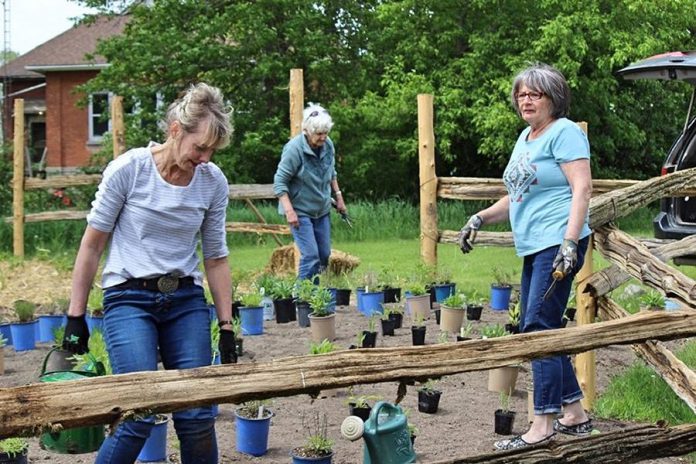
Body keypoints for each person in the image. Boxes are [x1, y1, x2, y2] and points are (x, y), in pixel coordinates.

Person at [62, 83, 237, 464]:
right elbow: (92, 246)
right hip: (129, 298)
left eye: (212, 151)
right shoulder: (129, 170)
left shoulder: (212, 182)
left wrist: (226, 326)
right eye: (199, 147)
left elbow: (216, 258)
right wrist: (75, 316)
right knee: (137, 413)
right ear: (176, 129)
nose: (205, 157)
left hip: (185, 301)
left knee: (196, 415)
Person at [457, 63, 593, 450]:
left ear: (554, 98)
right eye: (521, 94)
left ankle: (542, 424)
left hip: (558, 242)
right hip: (534, 246)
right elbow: (517, 197)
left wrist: (570, 243)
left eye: (535, 93)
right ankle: (576, 416)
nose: (525, 99)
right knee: (540, 326)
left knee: (536, 327)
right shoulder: (526, 137)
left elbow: (582, 189)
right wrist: (480, 217)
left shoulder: (564, 133)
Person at [273, 103, 346, 280]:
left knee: (323, 255)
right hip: (299, 211)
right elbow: (280, 182)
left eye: (325, 133)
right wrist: (290, 212)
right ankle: (302, 299)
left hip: (321, 209)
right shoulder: (294, 149)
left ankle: (314, 297)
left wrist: (339, 197)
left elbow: (332, 172)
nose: (323, 137)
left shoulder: (328, 145)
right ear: (307, 131)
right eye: (319, 134)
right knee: (311, 256)